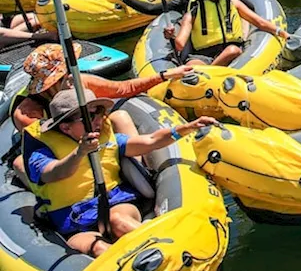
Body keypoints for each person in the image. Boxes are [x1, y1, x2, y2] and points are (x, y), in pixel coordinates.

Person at [20, 89, 217, 257]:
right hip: (75, 222)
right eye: (89, 117)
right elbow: (53, 173)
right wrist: (80, 153)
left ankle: (177, 248)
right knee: (95, 247)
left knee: (118, 222)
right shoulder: (40, 151)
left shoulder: (107, 137)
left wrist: (184, 129)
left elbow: (149, 141)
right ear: (65, 127)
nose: (97, 120)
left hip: (116, 204)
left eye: (98, 112)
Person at [10, 44, 193, 140]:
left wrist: (164, 75)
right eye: (64, 72)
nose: (70, 74)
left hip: (90, 139)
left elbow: (124, 88)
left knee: (119, 117)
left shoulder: (78, 81)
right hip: (66, 153)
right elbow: (54, 144)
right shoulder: (28, 113)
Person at [168, 0, 287, 66]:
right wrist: (171, 35)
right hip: (203, 56)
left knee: (233, 51)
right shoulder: (193, 14)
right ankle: (211, 72)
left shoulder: (233, 3)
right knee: (191, 64)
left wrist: (282, 33)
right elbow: (180, 44)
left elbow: (259, 22)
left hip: (228, 51)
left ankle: (210, 72)